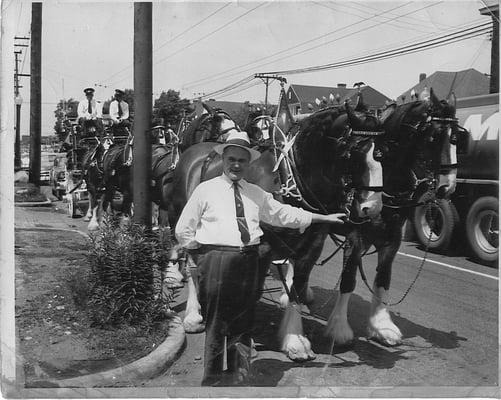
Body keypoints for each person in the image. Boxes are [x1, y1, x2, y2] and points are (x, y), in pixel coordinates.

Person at [175, 130, 346, 386]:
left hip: (248, 262)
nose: (236, 165)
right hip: (216, 261)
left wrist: (323, 218)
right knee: (217, 325)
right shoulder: (205, 190)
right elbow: (183, 229)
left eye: (242, 161)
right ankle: (211, 380)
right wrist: (202, 255)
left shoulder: (255, 193)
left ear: (248, 163)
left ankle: (238, 377)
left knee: (243, 325)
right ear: (224, 160)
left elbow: (283, 214)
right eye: (231, 159)